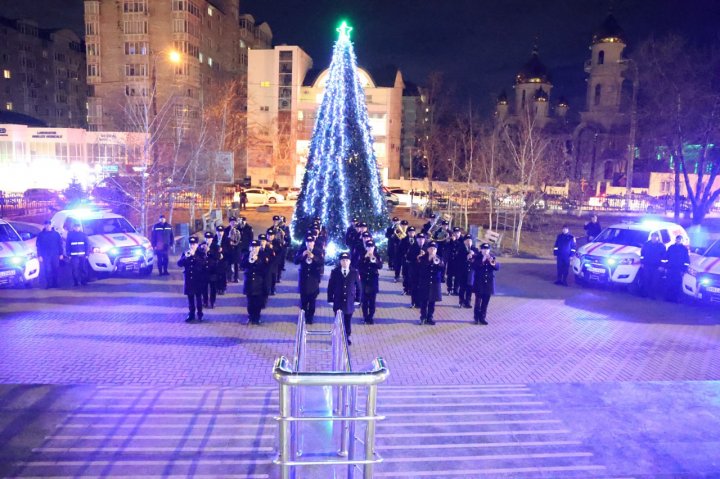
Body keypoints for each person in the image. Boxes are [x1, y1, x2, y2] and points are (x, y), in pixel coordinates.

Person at [327, 252, 361, 345]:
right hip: (338, 301)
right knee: (338, 321)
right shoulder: (335, 272)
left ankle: (346, 336)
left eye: (347, 260)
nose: (345, 262)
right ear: (340, 261)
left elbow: (358, 287)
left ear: (350, 262)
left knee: (347, 321)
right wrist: (330, 299)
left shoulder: (354, 272)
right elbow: (330, 287)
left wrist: (358, 299)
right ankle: (338, 336)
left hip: (349, 302)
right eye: (343, 260)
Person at [294, 235, 324, 324]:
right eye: (308, 242)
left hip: (313, 280)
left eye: (311, 242)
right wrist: (302, 255)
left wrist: (314, 257)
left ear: (314, 243)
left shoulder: (318, 251)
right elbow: (295, 261)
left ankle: (310, 318)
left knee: (312, 302)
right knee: (303, 301)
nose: (309, 244)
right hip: (303, 280)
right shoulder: (302, 249)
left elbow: (321, 263)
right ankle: (303, 317)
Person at [177, 236, 207, 322]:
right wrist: (185, 257)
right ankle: (191, 314)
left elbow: (203, 264)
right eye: (191, 244)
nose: (192, 246)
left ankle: (200, 314)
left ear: (197, 244)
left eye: (194, 244)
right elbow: (179, 264)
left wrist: (194, 256)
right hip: (189, 279)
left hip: (198, 279)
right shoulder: (186, 253)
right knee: (190, 298)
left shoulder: (201, 253)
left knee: (198, 298)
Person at [415, 241, 444, 325]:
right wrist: (428, 260)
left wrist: (438, 263)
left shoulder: (439, 258)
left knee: (432, 302)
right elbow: (421, 268)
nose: (432, 250)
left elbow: (442, 268)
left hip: (435, 283)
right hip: (425, 282)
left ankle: (430, 317)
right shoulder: (423, 258)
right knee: (424, 301)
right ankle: (423, 317)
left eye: (434, 249)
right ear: (428, 249)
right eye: (431, 248)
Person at [242, 240, 270, 325]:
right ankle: (250, 317)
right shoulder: (247, 255)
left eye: (256, 247)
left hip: (259, 282)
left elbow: (266, 268)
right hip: (249, 282)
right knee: (250, 301)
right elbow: (242, 265)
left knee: (258, 302)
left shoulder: (263, 255)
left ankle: (257, 318)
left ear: (259, 247)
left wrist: (257, 260)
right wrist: (248, 259)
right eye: (253, 247)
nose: (254, 249)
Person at [472, 243, 499, 325]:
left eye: (487, 249)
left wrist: (492, 263)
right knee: (478, 302)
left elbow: (497, 267)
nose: (486, 251)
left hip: (488, 284)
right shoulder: (477, 257)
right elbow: (475, 267)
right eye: (484, 249)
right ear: (481, 250)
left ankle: (482, 318)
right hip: (479, 283)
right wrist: (483, 260)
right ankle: (476, 317)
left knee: (485, 302)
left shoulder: (492, 257)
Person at [358, 240, 382, 324]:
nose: (370, 249)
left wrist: (374, 260)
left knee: (372, 301)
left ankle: (370, 317)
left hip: (373, 280)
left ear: (374, 248)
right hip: (364, 280)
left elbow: (380, 266)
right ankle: (365, 317)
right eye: (368, 247)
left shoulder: (377, 255)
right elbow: (358, 265)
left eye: (371, 247)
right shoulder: (362, 255)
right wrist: (365, 257)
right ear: (366, 247)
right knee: (364, 300)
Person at [36, 220, 64, 288]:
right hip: (45, 256)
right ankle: (48, 284)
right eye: (46, 224)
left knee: (56, 269)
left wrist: (61, 254)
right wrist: (39, 255)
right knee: (47, 270)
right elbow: (38, 246)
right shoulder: (40, 235)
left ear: (51, 225)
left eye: (49, 224)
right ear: (44, 225)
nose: (48, 226)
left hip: (55, 255)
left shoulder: (56, 234)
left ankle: (55, 283)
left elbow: (60, 244)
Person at [640, 232, 667, 299]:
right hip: (647, 265)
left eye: (655, 237)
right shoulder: (646, 244)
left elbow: (664, 258)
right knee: (646, 280)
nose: (654, 238)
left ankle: (652, 295)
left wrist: (662, 266)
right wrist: (642, 263)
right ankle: (645, 294)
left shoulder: (662, 246)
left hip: (657, 267)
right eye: (653, 236)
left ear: (658, 237)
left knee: (655, 281)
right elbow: (642, 255)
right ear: (651, 237)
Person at [664, 235, 690, 302]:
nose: (678, 240)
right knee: (669, 283)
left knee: (677, 284)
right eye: (677, 239)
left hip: (679, 269)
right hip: (670, 268)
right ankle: (668, 298)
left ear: (682, 240)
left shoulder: (684, 249)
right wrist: (666, 267)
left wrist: (683, 270)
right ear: (675, 240)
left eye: (680, 239)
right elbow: (666, 258)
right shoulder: (671, 248)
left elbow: (686, 261)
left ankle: (675, 298)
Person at [455, 235, 477, 308]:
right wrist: (466, 256)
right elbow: (457, 259)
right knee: (462, 287)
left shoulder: (474, 249)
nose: (469, 242)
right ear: (464, 242)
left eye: (470, 240)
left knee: (469, 287)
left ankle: (468, 302)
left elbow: (478, 258)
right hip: (462, 271)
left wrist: (474, 254)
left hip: (471, 271)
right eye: (467, 240)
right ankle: (461, 301)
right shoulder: (460, 248)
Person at [406, 232, 427, 308]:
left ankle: (420, 303)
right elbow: (408, 258)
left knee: (422, 287)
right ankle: (413, 302)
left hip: (424, 271)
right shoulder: (412, 247)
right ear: (417, 239)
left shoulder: (427, 247)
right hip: (414, 270)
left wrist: (425, 255)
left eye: (422, 239)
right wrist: (416, 256)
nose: (421, 240)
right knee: (414, 287)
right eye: (419, 239)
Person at [201, 232, 221, 309]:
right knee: (204, 288)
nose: (207, 240)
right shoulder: (202, 245)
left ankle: (212, 302)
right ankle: (205, 301)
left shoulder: (216, 246)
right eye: (206, 238)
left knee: (213, 288)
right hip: (204, 271)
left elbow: (218, 256)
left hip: (213, 270)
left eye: (209, 238)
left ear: (212, 239)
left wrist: (209, 251)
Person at [66, 222, 90, 286]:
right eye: (75, 227)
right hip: (74, 256)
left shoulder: (83, 235)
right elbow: (67, 245)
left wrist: (87, 254)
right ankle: (76, 282)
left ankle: (83, 281)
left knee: (83, 268)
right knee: (75, 269)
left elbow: (87, 245)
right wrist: (68, 254)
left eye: (78, 227)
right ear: (73, 227)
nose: (77, 228)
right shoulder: (70, 235)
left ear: (79, 227)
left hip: (82, 255)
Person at [399, 226, 418, 295]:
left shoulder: (417, 239)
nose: (412, 233)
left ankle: (411, 289)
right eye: (410, 232)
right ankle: (405, 289)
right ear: (407, 232)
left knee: (413, 275)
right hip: (406, 260)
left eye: (413, 232)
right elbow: (400, 250)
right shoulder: (404, 240)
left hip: (414, 261)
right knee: (406, 275)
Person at [445, 227, 463, 295]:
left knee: (457, 276)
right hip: (451, 260)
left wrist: (455, 241)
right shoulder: (451, 240)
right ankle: (449, 288)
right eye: (455, 233)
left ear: (460, 233)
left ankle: (456, 289)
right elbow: (447, 247)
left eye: (457, 233)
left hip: (458, 261)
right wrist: (450, 241)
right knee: (449, 275)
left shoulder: (462, 239)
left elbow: (461, 247)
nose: (456, 234)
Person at [226, 217, 242, 283]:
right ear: (229, 223)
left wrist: (236, 243)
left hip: (236, 249)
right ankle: (229, 277)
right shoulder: (226, 230)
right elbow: (224, 239)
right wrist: (229, 240)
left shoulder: (239, 229)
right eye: (231, 222)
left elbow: (241, 238)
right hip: (229, 249)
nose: (233, 223)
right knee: (229, 264)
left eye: (234, 221)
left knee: (236, 264)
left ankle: (236, 277)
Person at [213, 225, 228, 295]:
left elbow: (229, 249)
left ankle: (223, 288)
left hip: (224, 259)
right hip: (216, 259)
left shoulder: (226, 239)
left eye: (221, 231)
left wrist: (223, 250)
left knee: (223, 274)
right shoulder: (214, 238)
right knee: (217, 274)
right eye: (218, 231)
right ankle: (218, 288)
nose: (219, 233)